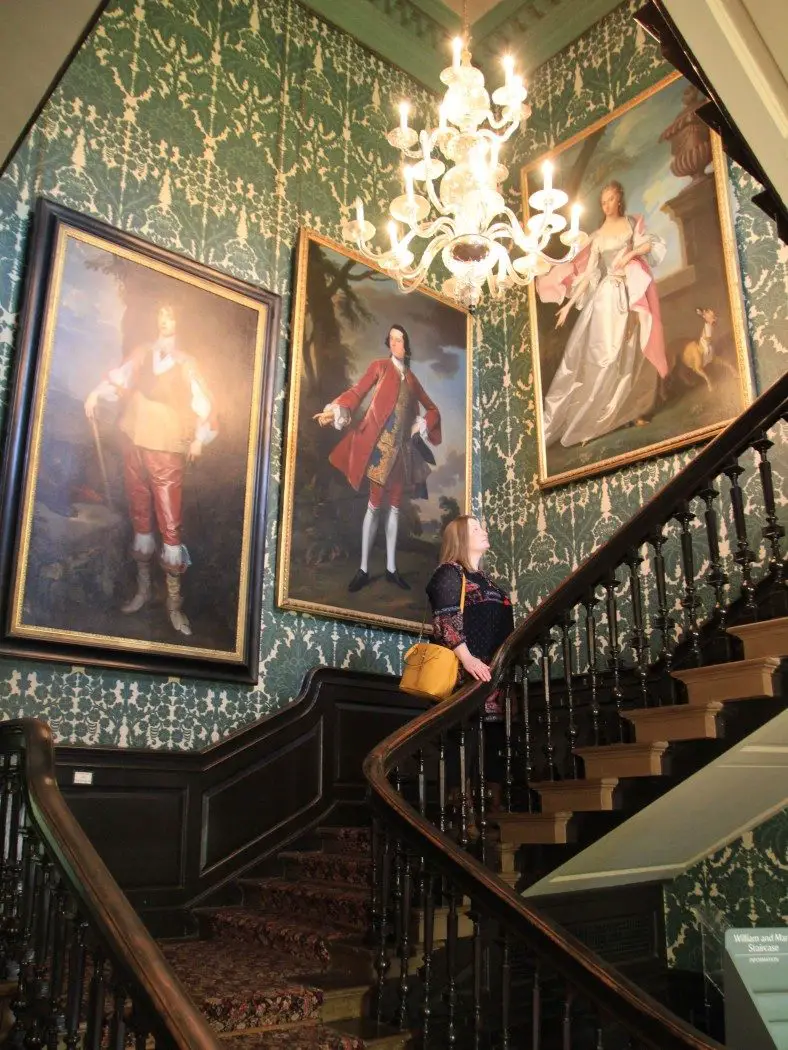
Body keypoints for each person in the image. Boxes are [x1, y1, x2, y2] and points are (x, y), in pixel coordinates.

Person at [84, 302, 217, 636]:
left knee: (170, 527)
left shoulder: (188, 363)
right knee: (141, 519)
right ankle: (143, 592)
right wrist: (96, 395)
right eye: (161, 315)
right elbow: (121, 379)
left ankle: (174, 606)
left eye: (170, 315)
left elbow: (206, 405)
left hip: (167, 446)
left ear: (179, 321)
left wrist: (200, 438)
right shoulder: (143, 352)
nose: (165, 320)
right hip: (135, 441)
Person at [536, 180, 668, 448]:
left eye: (610, 199)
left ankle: (621, 413)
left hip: (627, 294)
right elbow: (589, 275)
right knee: (601, 357)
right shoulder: (597, 236)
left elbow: (647, 246)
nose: (606, 205)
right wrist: (568, 305)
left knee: (624, 354)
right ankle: (589, 423)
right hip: (605, 298)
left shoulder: (631, 224)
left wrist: (629, 254)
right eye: (603, 201)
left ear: (619, 199)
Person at [314, 324, 441, 593]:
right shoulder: (379, 367)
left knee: (394, 507)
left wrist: (423, 425)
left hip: (402, 455)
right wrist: (336, 410)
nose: (396, 344)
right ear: (389, 344)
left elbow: (432, 409)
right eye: (392, 340)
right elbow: (358, 392)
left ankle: (392, 569)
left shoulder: (412, 379)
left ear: (406, 345)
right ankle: (363, 568)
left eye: (400, 340)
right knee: (373, 506)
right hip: (378, 450)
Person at [426, 515, 514, 811]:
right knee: (464, 742)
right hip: (465, 674)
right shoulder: (449, 573)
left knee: (493, 740)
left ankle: (492, 808)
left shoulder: (487, 581)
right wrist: (468, 660)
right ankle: (461, 813)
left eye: (482, 526)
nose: (484, 530)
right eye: (476, 528)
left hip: (493, 675)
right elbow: (446, 620)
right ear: (460, 538)